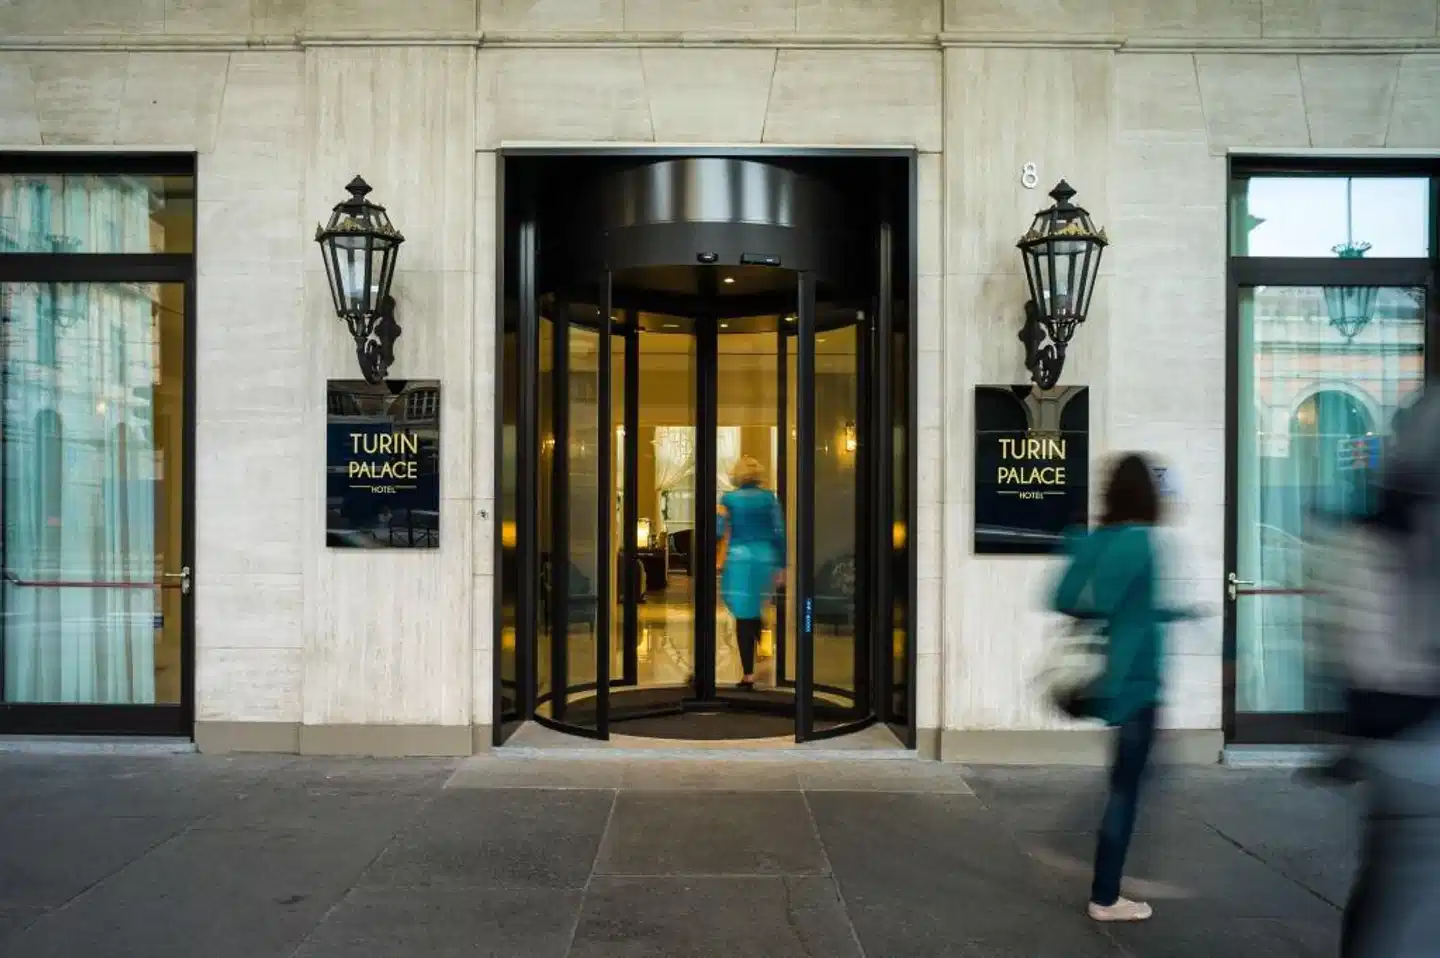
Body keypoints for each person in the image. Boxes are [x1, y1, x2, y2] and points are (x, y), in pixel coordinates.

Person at [1050, 453, 1201, 923]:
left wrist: (1078, 544)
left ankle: (1106, 889)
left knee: (1126, 785)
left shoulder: (1098, 540)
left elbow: (1064, 599)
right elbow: (1131, 612)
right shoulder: (1142, 543)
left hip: (1109, 682)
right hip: (1135, 684)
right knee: (1125, 792)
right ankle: (1106, 895)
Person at [717, 455, 785, 689]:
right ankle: (762, 636)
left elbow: (718, 529)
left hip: (739, 561)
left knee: (743, 614)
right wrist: (782, 564)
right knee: (755, 608)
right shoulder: (769, 498)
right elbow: (779, 532)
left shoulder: (729, 499)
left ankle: (748, 673)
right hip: (765, 558)